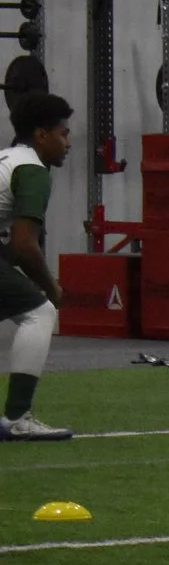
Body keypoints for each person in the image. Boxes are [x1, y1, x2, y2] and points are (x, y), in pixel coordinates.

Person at [0, 92, 74, 441]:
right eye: (63, 133)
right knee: (40, 313)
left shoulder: (8, 158)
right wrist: (52, 288)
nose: (68, 143)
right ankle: (17, 417)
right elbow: (24, 245)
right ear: (41, 135)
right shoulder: (31, 170)